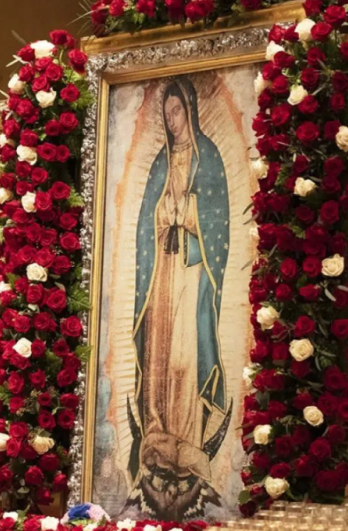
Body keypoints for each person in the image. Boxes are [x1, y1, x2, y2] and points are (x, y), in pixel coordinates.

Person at [130, 77, 230, 497]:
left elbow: (218, 220)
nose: (172, 121)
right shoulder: (160, 163)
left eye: (177, 111)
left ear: (189, 109)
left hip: (192, 270)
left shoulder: (209, 158)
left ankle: (187, 439)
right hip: (163, 274)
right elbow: (144, 222)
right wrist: (160, 216)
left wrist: (186, 211)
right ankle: (156, 435)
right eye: (166, 113)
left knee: (185, 358)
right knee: (159, 355)